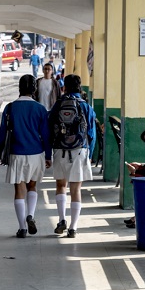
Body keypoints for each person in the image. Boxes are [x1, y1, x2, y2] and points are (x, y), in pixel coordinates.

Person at [0, 75, 52, 238]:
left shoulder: (10, 108)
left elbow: (2, 133)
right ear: (34, 89)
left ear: (19, 88)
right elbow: (46, 135)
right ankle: (30, 215)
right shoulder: (40, 109)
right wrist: (48, 155)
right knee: (32, 186)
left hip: (16, 154)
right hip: (36, 153)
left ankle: (22, 228)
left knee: (19, 190)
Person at [48, 74, 96, 238]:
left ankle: (61, 220)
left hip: (60, 149)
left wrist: (49, 151)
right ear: (80, 87)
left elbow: (50, 126)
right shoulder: (85, 106)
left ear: (64, 87)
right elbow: (91, 133)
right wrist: (90, 154)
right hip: (79, 149)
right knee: (76, 189)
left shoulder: (59, 104)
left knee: (61, 186)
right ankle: (73, 227)